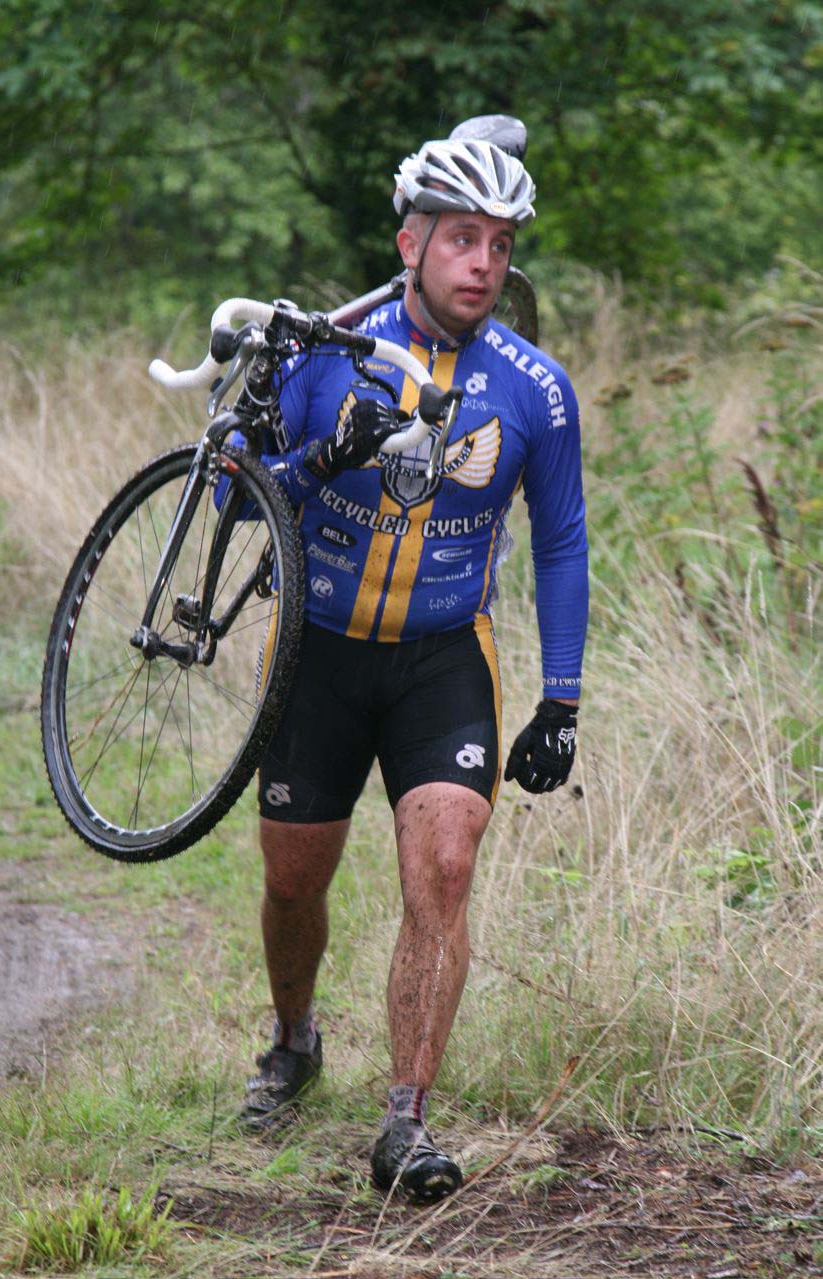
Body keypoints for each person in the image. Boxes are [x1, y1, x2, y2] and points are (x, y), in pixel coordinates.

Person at [238, 128, 589, 1204]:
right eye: (462, 239)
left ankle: (405, 1120)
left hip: (445, 658)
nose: (483, 261)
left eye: (500, 243)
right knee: (295, 880)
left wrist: (560, 699)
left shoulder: (535, 387)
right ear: (412, 241)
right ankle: (295, 1037)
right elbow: (231, 498)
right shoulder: (322, 355)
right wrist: (317, 456)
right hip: (319, 650)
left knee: (442, 868)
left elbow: (560, 539)